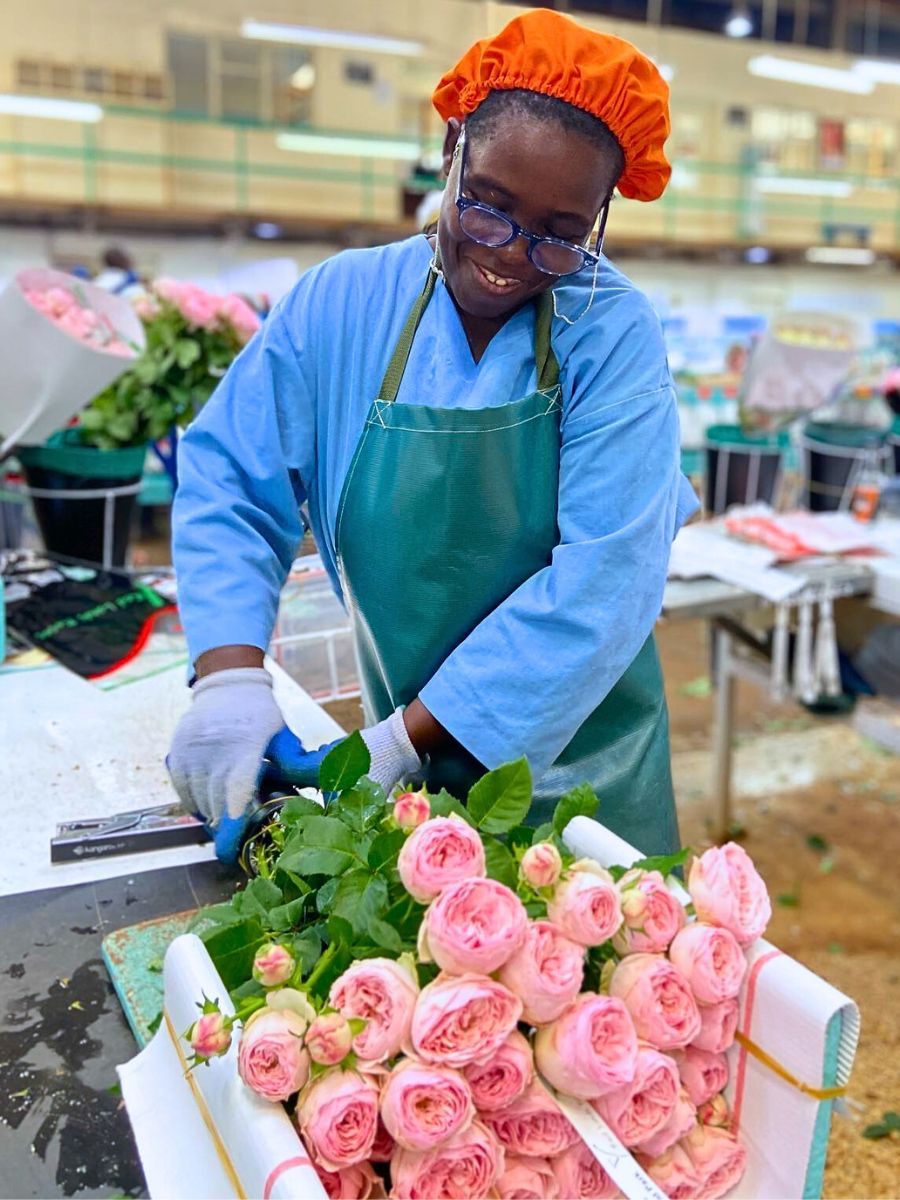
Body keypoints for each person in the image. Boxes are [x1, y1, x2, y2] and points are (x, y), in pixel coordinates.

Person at [168, 9, 699, 863]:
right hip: (408, 761)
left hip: (586, 770)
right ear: (451, 151)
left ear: (602, 218)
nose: (511, 257)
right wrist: (229, 680)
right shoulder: (338, 306)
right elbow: (232, 476)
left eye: (562, 237)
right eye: (487, 207)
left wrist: (398, 743)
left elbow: (608, 581)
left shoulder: (610, 331)